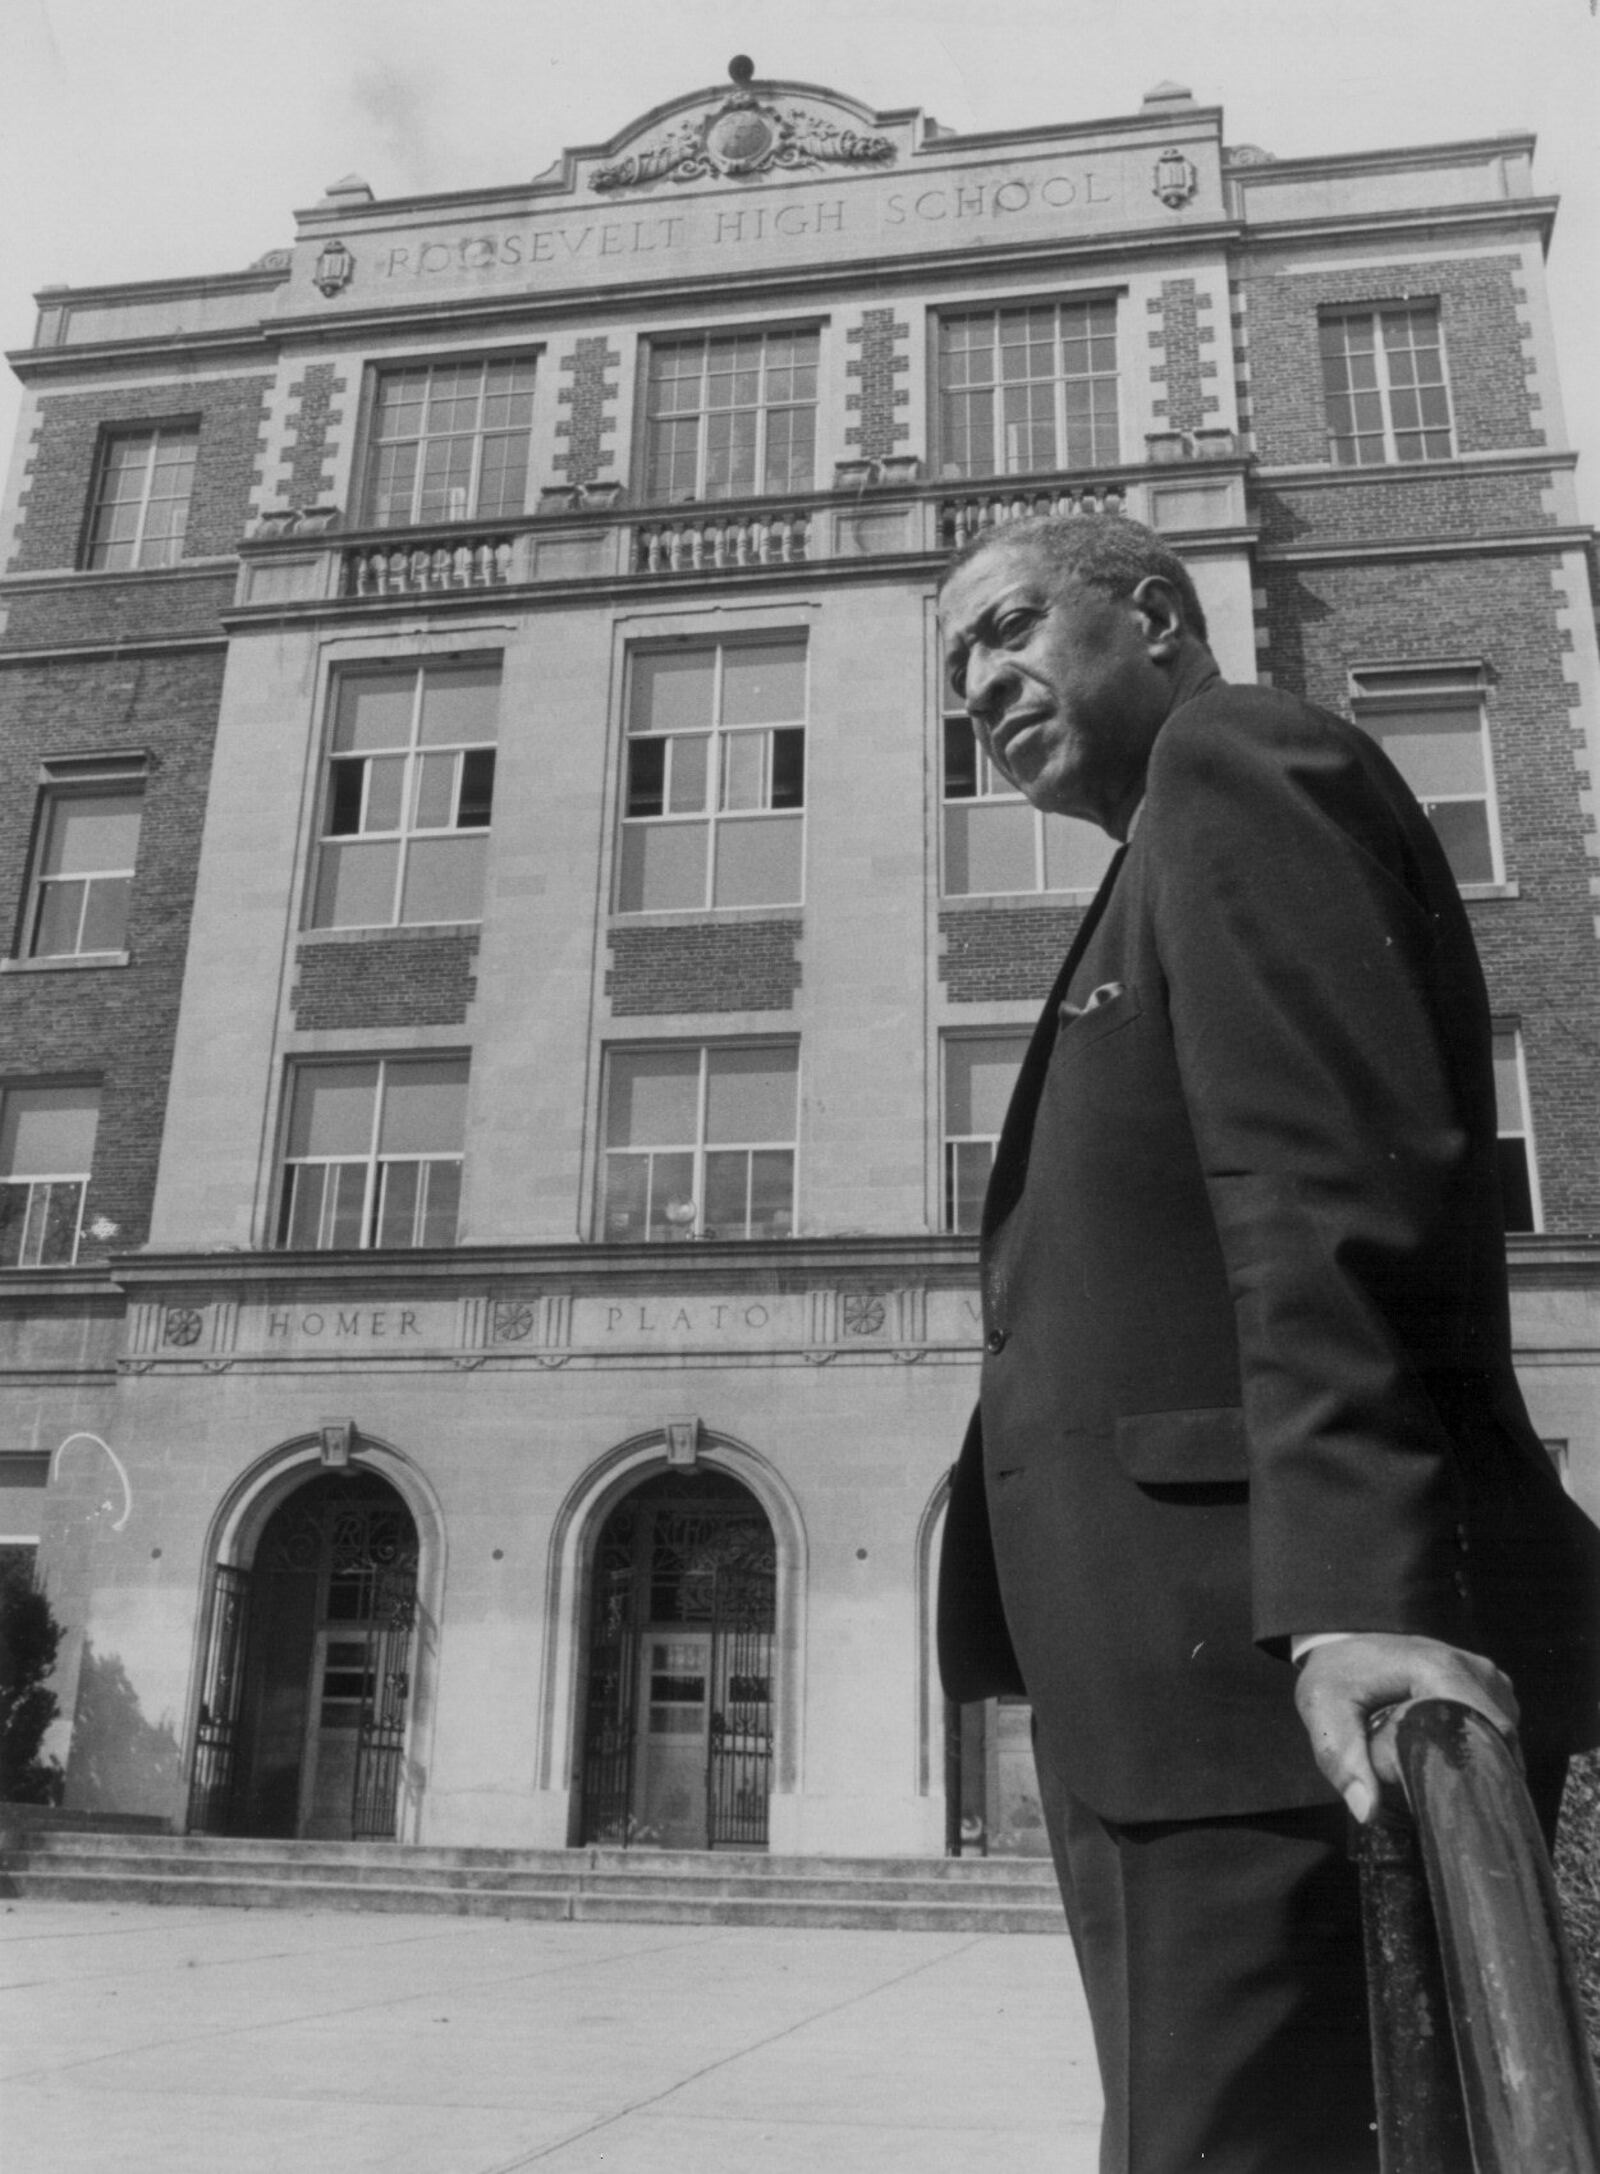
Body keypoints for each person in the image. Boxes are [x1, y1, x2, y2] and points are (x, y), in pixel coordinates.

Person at [934, 513, 1600, 2174]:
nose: (981, 685)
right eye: (957, 668)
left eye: (1012, 628)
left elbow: (1317, 1192)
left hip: (1267, 1689)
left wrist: (1354, 1600)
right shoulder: (1150, 857)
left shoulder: (1237, 765)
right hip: (1169, 1708)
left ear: (1155, 614)